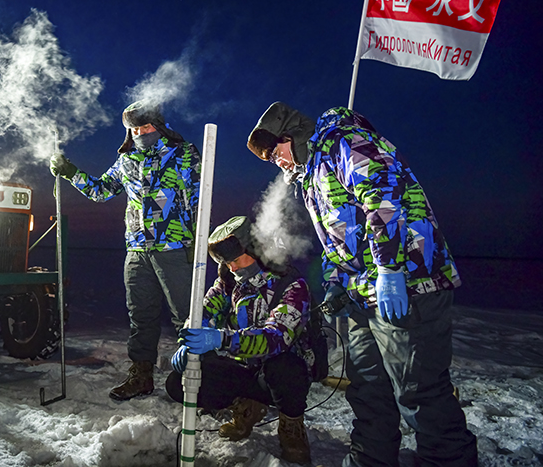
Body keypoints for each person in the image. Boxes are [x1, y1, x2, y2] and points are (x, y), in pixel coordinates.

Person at [247, 102, 477, 467]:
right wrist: (336, 282)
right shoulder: (311, 176)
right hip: (362, 294)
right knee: (368, 389)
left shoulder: (346, 142)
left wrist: (389, 270)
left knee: (419, 392)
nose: (278, 162)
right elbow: (337, 238)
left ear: (291, 136)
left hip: (409, 284)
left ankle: (448, 461)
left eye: (276, 152)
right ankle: (370, 460)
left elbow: (384, 201)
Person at [50, 101, 201, 400]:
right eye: (135, 129)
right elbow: (101, 191)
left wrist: (197, 243)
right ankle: (141, 375)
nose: (140, 133)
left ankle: (197, 377)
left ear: (159, 126)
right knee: (141, 315)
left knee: (186, 317)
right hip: (137, 249)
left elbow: (198, 198)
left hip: (174, 248)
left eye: (146, 127)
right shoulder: (126, 161)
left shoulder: (183, 154)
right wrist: (70, 172)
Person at [167, 216, 313, 465]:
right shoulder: (228, 282)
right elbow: (204, 310)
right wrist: (190, 338)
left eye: (236, 260)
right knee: (177, 382)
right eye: (226, 262)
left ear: (256, 250)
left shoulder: (291, 285)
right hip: (244, 368)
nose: (232, 268)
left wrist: (221, 339)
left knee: (286, 368)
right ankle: (246, 406)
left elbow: (275, 338)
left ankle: (291, 426)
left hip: (277, 374)